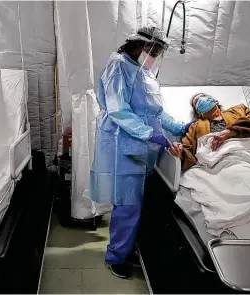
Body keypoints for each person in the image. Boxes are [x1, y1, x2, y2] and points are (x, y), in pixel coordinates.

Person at [88, 26, 193, 279]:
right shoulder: (118, 66)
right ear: (137, 45)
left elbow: (155, 112)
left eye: (157, 53)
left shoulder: (143, 73)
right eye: (152, 51)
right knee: (127, 204)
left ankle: (125, 247)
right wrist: (150, 134)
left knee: (133, 204)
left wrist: (178, 127)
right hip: (121, 144)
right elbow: (118, 110)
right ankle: (116, 257)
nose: (154, 57)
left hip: (141, 147)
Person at [168, 93, 250, 171]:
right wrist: (179, 151)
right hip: (218, 163)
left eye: (203, 96)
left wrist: (230, 131)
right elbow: (189, 153)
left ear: (216, 101)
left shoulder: (238, 109)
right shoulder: (195, 126)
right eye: (197, 102)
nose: (200, 99)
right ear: (199, 113)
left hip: (249, 152)